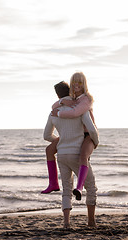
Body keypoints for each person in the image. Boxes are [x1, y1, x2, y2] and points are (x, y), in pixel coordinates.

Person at [43, 81, 99, 228]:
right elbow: (92, 130)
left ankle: (66, 223)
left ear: (57, 95)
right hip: (77, 153)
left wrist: (61, 139)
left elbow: (46, 135)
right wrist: (95, 141)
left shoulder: (54, 112)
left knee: (66, 190)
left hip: (62, 154)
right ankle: (91, 222)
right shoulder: (80, 109)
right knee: (91, 188)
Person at [49, 72, 96, 201]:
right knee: (49, 150)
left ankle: (80, 187)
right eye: (74, 82)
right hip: (79, 135)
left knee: (83, 156)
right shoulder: (73, 99)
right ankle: (53, 183)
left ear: (84, 84)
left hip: (88, 135)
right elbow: (53, 107)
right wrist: (62, 101)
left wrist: (58, 113)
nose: (76, 85)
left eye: (79, 82)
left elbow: (75, 113)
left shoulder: (86, 99)